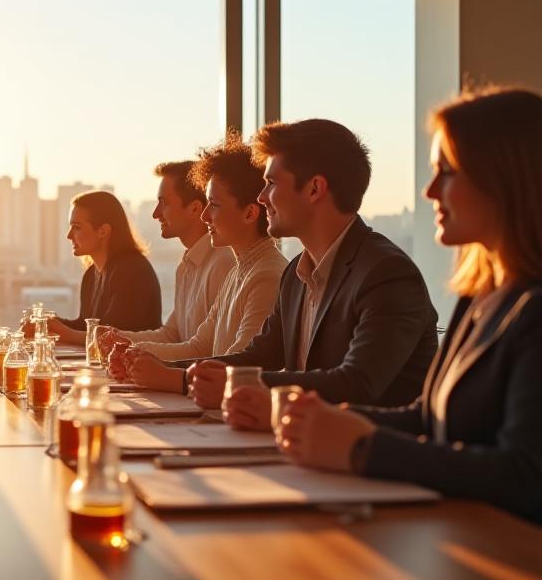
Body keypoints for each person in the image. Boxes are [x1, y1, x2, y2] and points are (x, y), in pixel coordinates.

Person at [273, 88, 542, 525]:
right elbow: (429, 418)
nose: (430, 190)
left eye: (447, 172)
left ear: (505, 178)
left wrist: (363, 447)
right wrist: (327, 419)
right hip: (457, 536)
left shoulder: (534, 310)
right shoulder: (481, 296)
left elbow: (525, 476)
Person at [186, 119, 438, 410]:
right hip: (302, 445)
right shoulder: (295, 275)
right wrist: (175, 373)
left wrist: (236, 384)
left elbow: (355, 384)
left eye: (270, 183)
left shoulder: (387, 274)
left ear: (314, 188)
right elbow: (260, 355)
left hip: (364, 451)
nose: (261, 197)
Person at [111, 136, 287, 392]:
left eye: (213, 206)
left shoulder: (266, 275)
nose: (205, 216)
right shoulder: (240, 270)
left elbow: (241, 369)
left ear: (250, 213)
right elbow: (200, 347)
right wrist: (136, 354)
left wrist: (163, 372)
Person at [114, 160, 232, 347]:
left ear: (194, 209)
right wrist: (117, 338)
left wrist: (136, 352)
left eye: (164, 202)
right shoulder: (186, 265)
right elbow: (171, 335)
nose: (155, 213)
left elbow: (207, 351)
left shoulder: (223, 264)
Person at [45, 190, 161, 345]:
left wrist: (60, 331)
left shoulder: (131, 271)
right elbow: (84, 326)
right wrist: (47, 323)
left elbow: (111, 338)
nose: (69, 235)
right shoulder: (91, 274)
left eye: (76, 227)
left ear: (103, 231)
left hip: (135, 366)